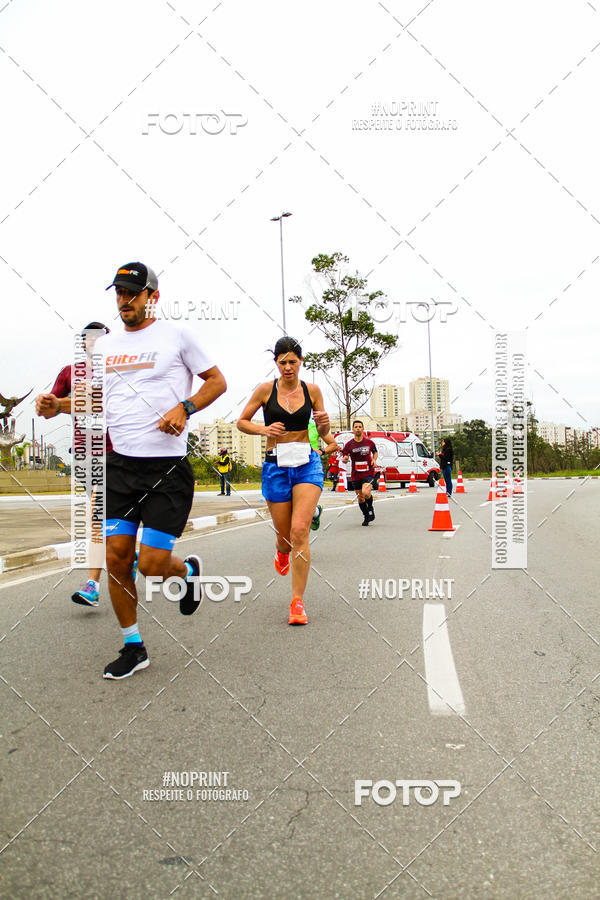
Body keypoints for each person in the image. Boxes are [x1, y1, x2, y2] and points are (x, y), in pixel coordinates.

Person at [95, 261, 226, 679]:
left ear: (152, 296)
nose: (124, 301)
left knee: (151, 564)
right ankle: (134, 646)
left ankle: (186, 572)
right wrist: (54, 406)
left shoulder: (177, 336)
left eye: (132, 293)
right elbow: (98, 402)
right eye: (118, 293)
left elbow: (217, 381)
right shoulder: (106, 346)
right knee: (117, 558)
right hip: (119, 467)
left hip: (166, 468)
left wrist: (185, 408)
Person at [237, 337, 330, 625]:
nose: (288, 367)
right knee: (286, 538)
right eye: (282, 362)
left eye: (293, 361)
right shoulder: (266, 390)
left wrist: (325, 422)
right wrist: (264, 428)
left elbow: (323, 428)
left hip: (306, 464)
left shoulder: (312, 390)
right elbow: (242, 421)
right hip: (276, 465)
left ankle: (297, 602)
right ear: (276, 363)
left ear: (301, 362)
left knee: (300, 531)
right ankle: (281, 551)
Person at [35, 322, 122, 607]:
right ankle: (125, 555)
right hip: (84, 453)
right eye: (91, 339)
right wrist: (45, 403)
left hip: (114, 452)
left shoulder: (116, 372)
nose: (96, 343)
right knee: (108, 519)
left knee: (97, 516)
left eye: (102, 339)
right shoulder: (69, 372)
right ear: (83, 343)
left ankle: (93, 584)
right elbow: (51, 408)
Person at [341, 420, 378, 526]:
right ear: (353, 429)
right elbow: (345, 455)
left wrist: (374, 459)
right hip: (356, 474)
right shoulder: (349, 444)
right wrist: (345, 458)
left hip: (368, 472)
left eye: (360, 427)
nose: (358, 428)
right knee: (360, 497)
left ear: (363, 429)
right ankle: (366, 515)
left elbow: (375, 452)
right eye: (356, 427)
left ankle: (370, 508)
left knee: (366, 492)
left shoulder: (369, 442)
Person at [307, 416, 340, 531]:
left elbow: (333, 445)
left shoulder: (313, 425)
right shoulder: (285, 423)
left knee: (304, 505)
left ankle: (314, 512)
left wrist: (321, 452)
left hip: (310, 467)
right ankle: (315, 511)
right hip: (289, 466)